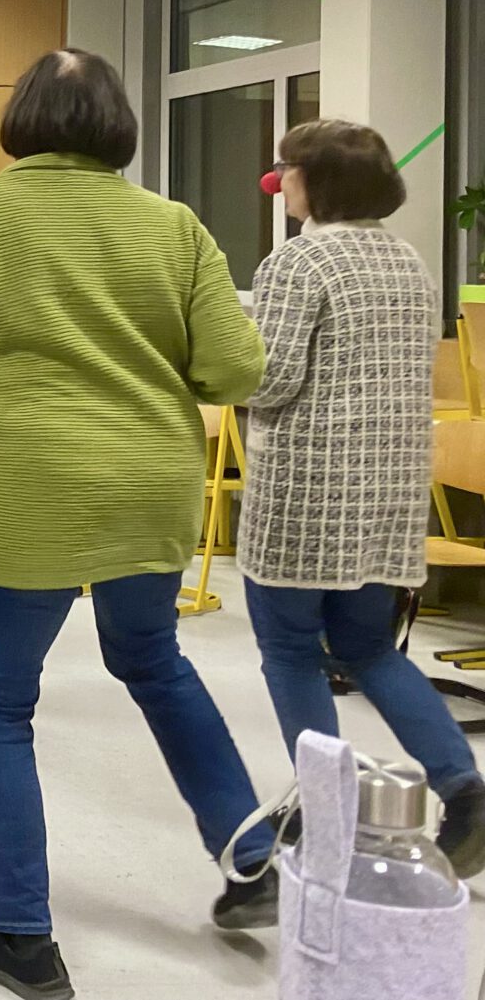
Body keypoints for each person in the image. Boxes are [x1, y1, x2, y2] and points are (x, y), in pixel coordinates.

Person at [0, 48, 277, 999]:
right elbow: (236, 370)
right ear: (117, 125)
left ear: (20, 120)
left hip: (30, 486)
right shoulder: (175, 225)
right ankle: (249, 844)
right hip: (150, 483)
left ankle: (22, 933)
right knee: (151, 660)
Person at [242, 118, 485, 876]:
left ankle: (329, 813)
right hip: (386, 498)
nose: (280, 180)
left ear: (314, 179)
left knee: (288, 651)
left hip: (304, 497)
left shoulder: (298, 262)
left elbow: (272, 378)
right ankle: (465, 788)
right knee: (371, 649)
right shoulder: (409, 262)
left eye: (288, 168)